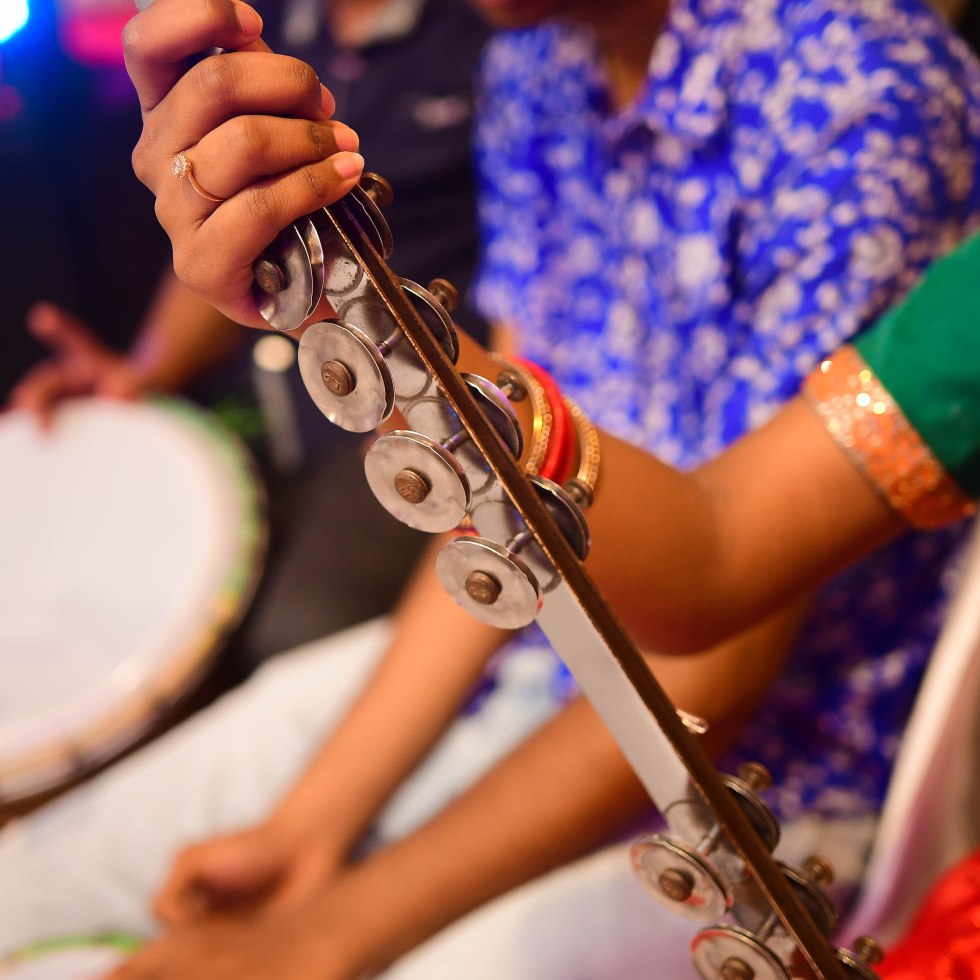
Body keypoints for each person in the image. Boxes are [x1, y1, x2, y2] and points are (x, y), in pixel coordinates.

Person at [3, 0, 980, 976]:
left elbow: (715, 609)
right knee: (36, 884)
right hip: (536, 649)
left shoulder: (859, 91)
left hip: (777, 772)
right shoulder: (536, 68)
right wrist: (305, 828)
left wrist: (323, 934)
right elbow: (505, 500)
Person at [8, 0, 492, 663]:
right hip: (253, 411)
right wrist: (141, 372)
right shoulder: (263, 20)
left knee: (289, 633)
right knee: (90, 599)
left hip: (403, 419)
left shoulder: (495, 28)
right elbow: (233, 232)